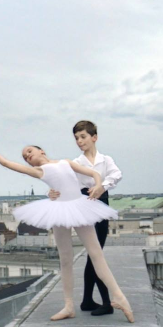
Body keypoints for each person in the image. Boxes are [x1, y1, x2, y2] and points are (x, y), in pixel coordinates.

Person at [0, 132, 133, 323]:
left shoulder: (66, 162)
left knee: (96, 254)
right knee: (65, 259)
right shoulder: (39, 171)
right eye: (24, 157)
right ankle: (69, 306)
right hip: (59, 210)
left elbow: (94, 173)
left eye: (29, 151)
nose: (27, 156)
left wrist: (98, 186)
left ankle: (119, 297)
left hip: (78, 206)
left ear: (41, 151)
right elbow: (7, 164)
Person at [49, 120, 122, 315]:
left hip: (102, 205)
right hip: (85, 207)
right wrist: (53, 192)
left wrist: (102, 186)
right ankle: (106, 302)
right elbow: (63, 182)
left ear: (94, 137)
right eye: (76, 138)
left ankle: (88, 300)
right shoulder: (77, 163)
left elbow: (116, 175)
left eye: (83, 137)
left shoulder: (106, 160)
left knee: (95, 255)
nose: (79, 141)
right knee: (96, 254)